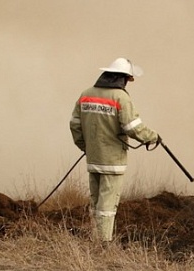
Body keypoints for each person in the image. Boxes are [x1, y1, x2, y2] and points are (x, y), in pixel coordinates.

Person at [69, 58, 161, 242]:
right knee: (107, 205)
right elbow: (132, 127)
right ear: (123, 78)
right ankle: (103, 244)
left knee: (95, 202)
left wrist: (87, 148)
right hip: (112, 162)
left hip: (93, 158)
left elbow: (75, 125)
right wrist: (153, 137)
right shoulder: (121, 98)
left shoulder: (86, 94)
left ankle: (94, 237)